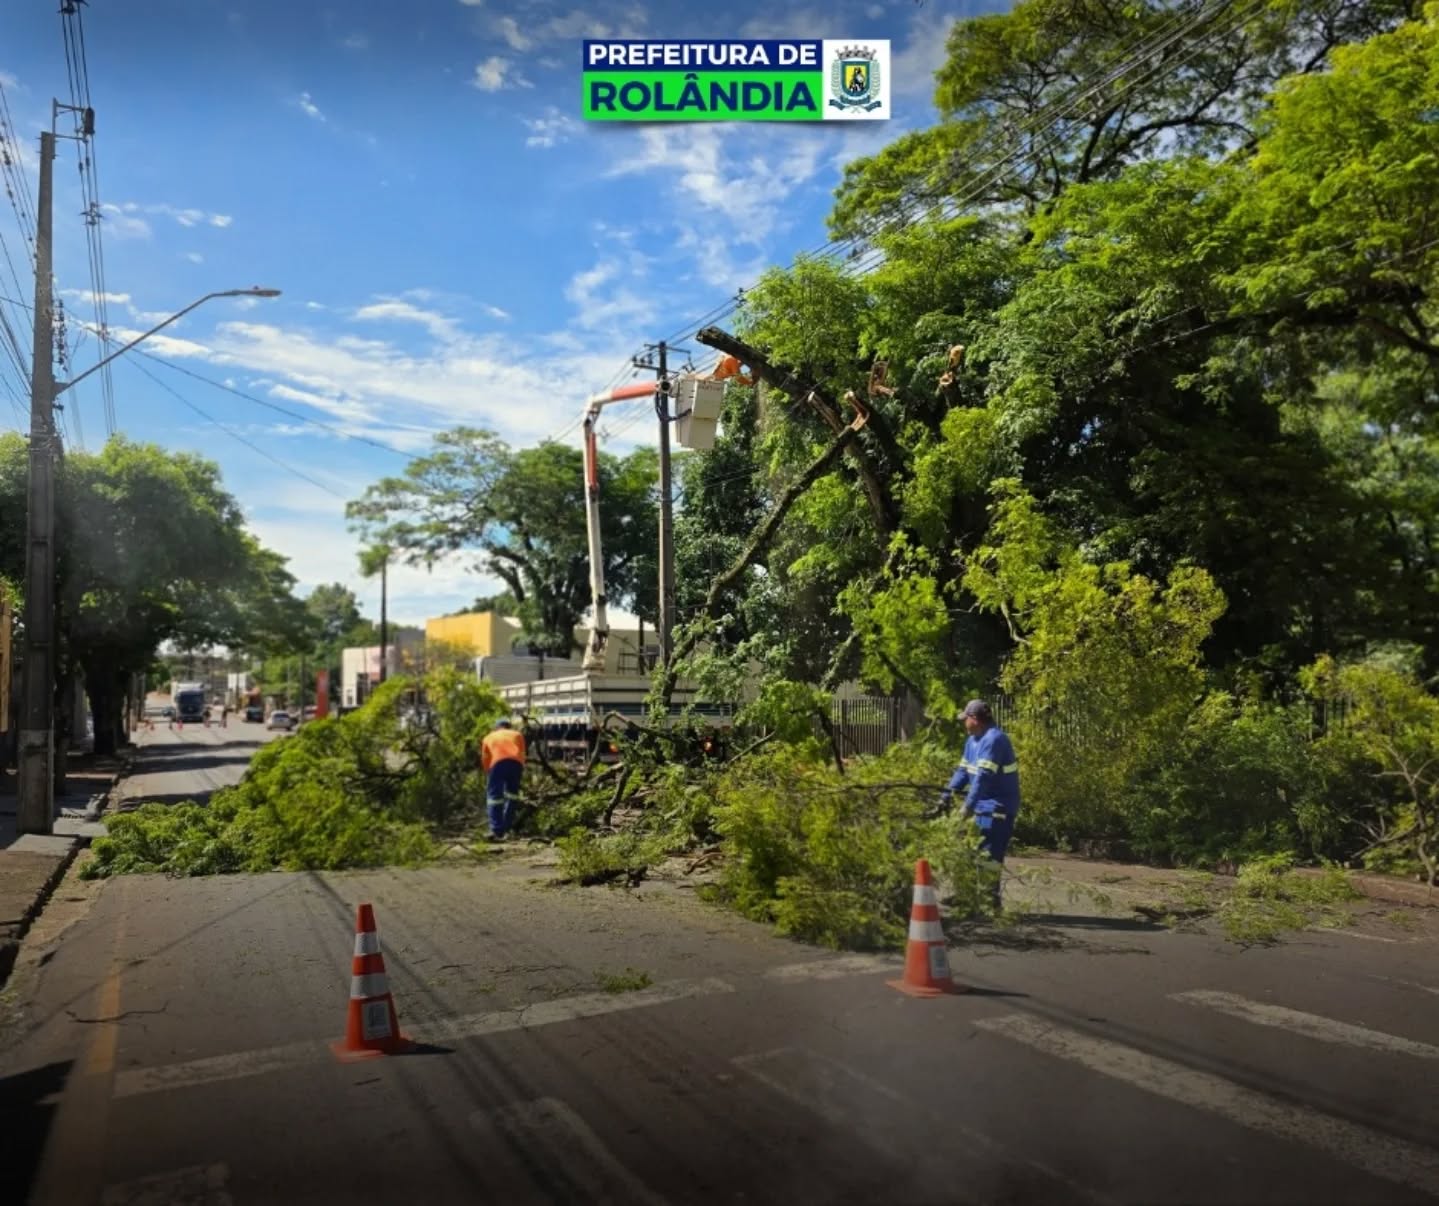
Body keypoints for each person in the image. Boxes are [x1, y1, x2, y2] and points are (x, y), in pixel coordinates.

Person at [940, 699, 1020, 909]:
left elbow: (983, 777)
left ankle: (989, 902)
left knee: (989, 857)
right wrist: (945, 796)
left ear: (974, 719)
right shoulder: (972, 740)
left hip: (997, 808)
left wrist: (967, 807)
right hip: (981, 805)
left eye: (965, 719)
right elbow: (962, 772)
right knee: (966, 849)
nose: (963, 723)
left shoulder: (994, 740)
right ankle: (966, 896)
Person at [480, 718, 527, 841]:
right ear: (509, 727)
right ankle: (506, 827)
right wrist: (520, 768)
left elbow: (485, 758)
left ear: (496, 728)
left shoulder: (488, 737)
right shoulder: (517, 735)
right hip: (516, 764)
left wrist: (488, 771)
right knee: (512, 796)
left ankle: (496, 830)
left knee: (494, 798)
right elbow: (522, 753)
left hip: (497, 764)